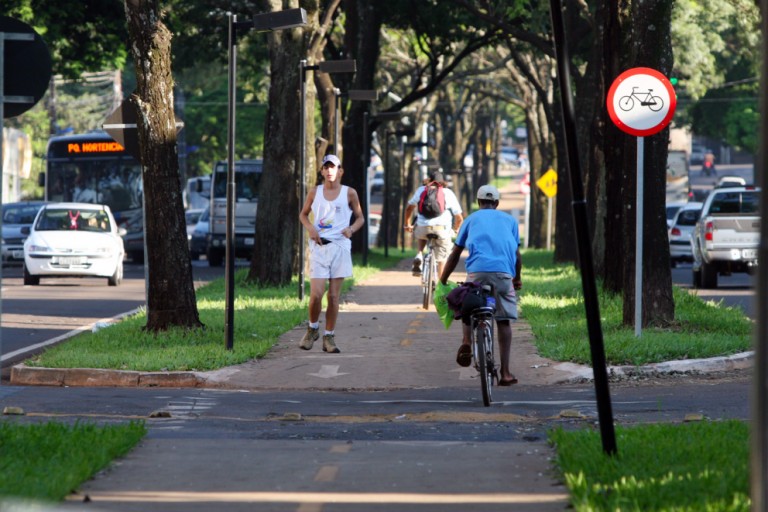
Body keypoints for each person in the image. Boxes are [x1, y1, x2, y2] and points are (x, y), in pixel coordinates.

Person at [439, 184, 522, 386]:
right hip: (503, 274)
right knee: (503, 321)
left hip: (477, 274)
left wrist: (442, 280)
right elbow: (516, 255)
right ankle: (505, 372)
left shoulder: (470, 219)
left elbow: (455, 253)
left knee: (468, 302)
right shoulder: (510, 221)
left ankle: (466, 341)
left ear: (478, 202)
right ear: (497, 203)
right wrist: (517, 278)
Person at [298, 154, 365, 354]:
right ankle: (312, 328)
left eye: (333, 167)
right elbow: (303, 214)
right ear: (321, 171)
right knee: (316, 295)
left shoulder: (349, 193)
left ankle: (329, 336)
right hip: (319, 247)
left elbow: (360, 217)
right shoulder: (314, 192)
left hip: (340, 247)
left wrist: (351, 229)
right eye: (326, 167)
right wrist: (310, 228)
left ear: (339, 171)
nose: (329, 171)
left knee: (334, 296)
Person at [404, 170, 463, 278]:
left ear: (429, 180)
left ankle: (420, 254)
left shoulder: (421, 190)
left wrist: (407, 224)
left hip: (422, 229)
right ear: (443, 182)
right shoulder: (448, 193)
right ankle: (440, 286)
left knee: (421, 227)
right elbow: (459, 217)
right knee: (442, 259)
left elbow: (409, 208)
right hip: (441, 229)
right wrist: (456, 229)